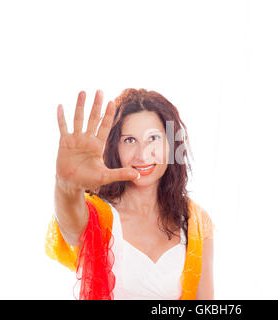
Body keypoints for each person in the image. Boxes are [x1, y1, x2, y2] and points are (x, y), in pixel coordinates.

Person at [45, 89, 215, 300]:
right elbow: (70, 226)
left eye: (153, 138)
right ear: (115, 146)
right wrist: (66, 185)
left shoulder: (195, 222)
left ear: (171, 144)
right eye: (129, 140)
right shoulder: (99, 215)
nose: (143, 155)